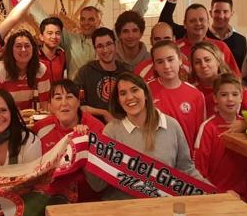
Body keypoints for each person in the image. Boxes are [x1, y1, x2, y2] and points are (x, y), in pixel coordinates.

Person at [86, 72, 203, 201]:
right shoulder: (111, 130)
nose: (129, 97)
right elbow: (98, 185)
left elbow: (186, 170)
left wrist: (214, 193)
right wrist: (86, 151)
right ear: (118, 100)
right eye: (123, 93)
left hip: (163, 208)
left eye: (134, 90)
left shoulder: (172, 125)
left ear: (146, 94)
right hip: (122, 211)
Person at [33, 79, 104, 202]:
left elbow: (101, 179)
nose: (64, 103)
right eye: (58, 98)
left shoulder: (96, 128)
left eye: (69, 97)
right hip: (48, 200)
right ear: (50, 106)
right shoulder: (40, 128)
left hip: (87, 201)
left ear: (78, 102)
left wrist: (86, 141)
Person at [194, 73, 247, 201]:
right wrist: (218, 195)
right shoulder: (208, 128)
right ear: (215, 98)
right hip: (214, 199)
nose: (230, 99)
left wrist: (245, 196)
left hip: (243, 200)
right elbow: (199, 170)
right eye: (224, 95)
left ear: (241, 97)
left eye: (235, 94)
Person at [160, 0, 247, 67]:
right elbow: (164, 24)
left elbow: (237, 74)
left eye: (225, 11)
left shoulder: (238, 41)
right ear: (211, 13)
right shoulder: (185, 36)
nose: (221, 16)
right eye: (192, 20)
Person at [190, 42, 247, 126]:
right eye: (197, 62)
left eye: (207, 60)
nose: (203, 65)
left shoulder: (232, 88)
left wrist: (245, 123)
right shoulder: (191, 92)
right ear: (193, 67)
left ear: (218, 61)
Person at [147, 40, 206, 156]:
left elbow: (199, 137)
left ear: (180, 60)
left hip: (184, 164)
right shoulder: (145, 91)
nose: (166, 66)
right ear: (154, 66)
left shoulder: (196, 95)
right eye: (160, 62)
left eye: (170, 59)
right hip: (154, 161)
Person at [74, 27, 132, 123]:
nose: (105, 50)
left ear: (115, 45)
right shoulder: (85, 72)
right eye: (100, 46)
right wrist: (104, 113)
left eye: (109, 44)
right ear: (95, 49)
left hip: (124, 126)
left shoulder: (126, 71)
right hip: (94, 127)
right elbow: (76, 104)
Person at [0, 29, 50, 111]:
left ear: (33, 49)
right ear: (11, 50)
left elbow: (45, 104)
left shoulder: (41, 69)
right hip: (7, 118)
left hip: (32, 119)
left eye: (27, 46)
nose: (23, 50)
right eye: (18, 46)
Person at [38, 17, 67, 82]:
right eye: (50, 33)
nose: (54, 37)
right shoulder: (34, 57)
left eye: (57, 33)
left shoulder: (62, 56)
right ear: (41, 37)